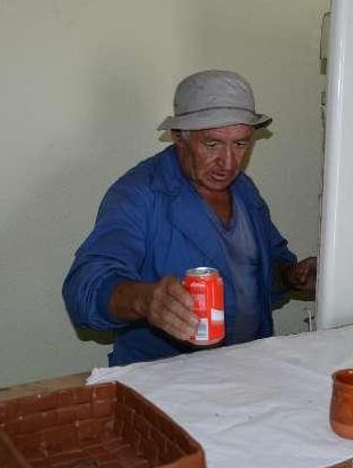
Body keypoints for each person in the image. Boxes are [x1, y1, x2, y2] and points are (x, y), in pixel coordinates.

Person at [63, 70, 317, 366]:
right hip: (165, 379)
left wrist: (290, 275)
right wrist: (144, 300)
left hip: (247, 368)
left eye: (240, 144)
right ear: (179, 137)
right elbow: (84, 287)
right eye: (212, 144)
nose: (229, 162)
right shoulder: (139, 194)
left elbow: (258, 271)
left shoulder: (244, 191)